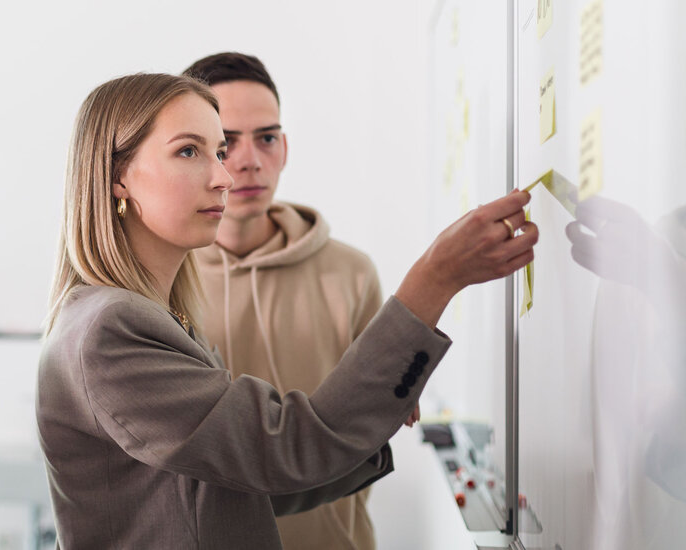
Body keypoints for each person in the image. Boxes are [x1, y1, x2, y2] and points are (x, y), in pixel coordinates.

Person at [36, 72, 537, 549]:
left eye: (218, 152)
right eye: (188, 151)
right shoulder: (110, 328)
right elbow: (279, 451)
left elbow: (238, 483)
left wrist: (363, 422)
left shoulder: (159, 314)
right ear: (118, 176)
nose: (224, 177)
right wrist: (434, 278)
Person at [183, 52, 416, 550]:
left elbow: (375, 421)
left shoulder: (352, 273)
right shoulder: (158, 283)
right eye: (225, 144)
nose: (249, 160)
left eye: (266, 138)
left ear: (285, 147)